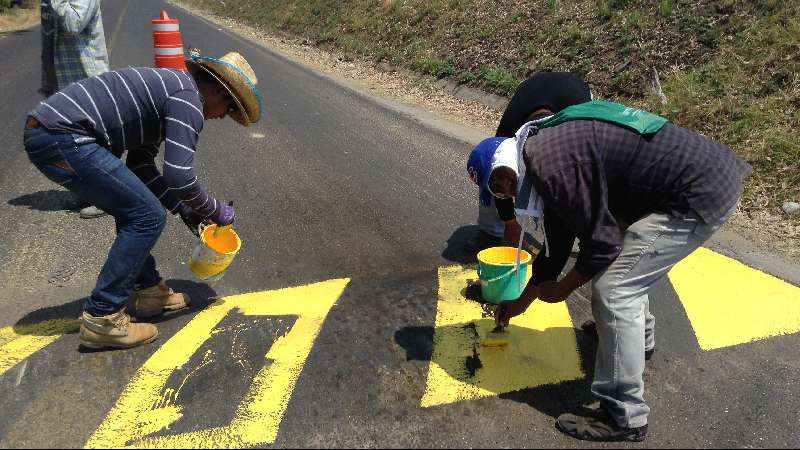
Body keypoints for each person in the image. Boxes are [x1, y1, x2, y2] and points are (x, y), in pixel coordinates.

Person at [491, 103, 751, 442]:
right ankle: (636, 343)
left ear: (507, 168)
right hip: (690, 177)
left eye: (503, 186)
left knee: (615, 291)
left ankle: (623, 416)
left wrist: (565, 289)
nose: (508, 195)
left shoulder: (550, 169)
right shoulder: (538, 145)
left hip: (695, 192)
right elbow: (555, 252)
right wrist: (518, 305)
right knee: (622, 270)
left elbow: (601, 243)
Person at [23, 50, 263, 350]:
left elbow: (142, 167)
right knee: (147, 215)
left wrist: (185, 209)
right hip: (60, 136)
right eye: (228, 107)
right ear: (215, 89)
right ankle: (103, 317)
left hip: (53, 131)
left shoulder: (171, 93)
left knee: (136, 205)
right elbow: (179, 176)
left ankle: (148, 290)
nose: (221, 116)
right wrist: (214, 210)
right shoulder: (188, 100)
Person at [464, 72, 591, 253]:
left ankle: (587, 237)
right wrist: (510, 222)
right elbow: (500, 173)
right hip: (531, 89)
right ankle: (490, 232)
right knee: (493, 171)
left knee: (572, 183)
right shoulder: (509, 130)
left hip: (574, 93)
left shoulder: (579, 121)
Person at [40, 0, 111, 219]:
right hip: (65, 81)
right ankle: (90, 192)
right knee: (76, 142)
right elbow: (49, 38)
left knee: (98, 141)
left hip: (89, 77)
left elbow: (73, 24)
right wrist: (48, 80)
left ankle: (108, 197)